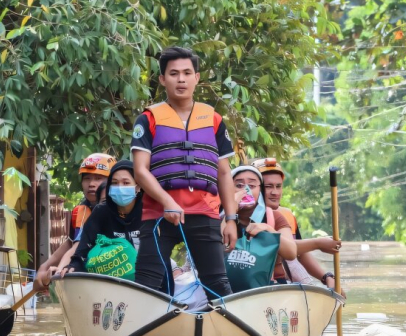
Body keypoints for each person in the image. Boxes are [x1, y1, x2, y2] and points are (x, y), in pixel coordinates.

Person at [131, 46, 237, 298]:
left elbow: (224, 173)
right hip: (159, 214)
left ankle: (226, 333)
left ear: (196, 78)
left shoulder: (214, 120)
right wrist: (168, 202)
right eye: (174, 73)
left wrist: (231, 219)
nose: (181, 79)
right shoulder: (147, 120)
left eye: (187, 73)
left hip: (205, 212)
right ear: (162, 79)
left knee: (218, 284)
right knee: (147, 283)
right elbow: (140, 171)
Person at [255, 158, 344, 293]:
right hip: (257, 285)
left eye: (278, 186)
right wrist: (318, 243)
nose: (275, 192)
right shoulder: (245, 215)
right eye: (268, 187)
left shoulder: (286, 215)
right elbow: (289, 248)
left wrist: (326, 277)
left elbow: (299, 253)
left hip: (284, 285)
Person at [34, 152, 115, 288]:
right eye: (87, 178)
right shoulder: (82, 210)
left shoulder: (118, 208)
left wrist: (59, 271)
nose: (91, 184)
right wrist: (45, 267)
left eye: (98, 178)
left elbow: (77, 246)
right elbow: (72, 242)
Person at [61, 160, 142, 277]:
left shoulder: (150, 212)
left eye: (125, 183)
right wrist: (73, 266)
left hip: (147, 281)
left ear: (138, 186)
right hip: (108, 282)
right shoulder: (101, 212)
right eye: (114, 183)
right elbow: (82, 249)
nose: (120, 188)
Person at [228, 165, 298, 284]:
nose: (246, 191)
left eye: (252, 186)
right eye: (239, 185)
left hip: (267, 288)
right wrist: (231, 211)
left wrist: (268, 229)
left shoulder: (274, 217)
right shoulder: (219, 218)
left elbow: (291, 253)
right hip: (228, 287)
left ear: (260, 190)